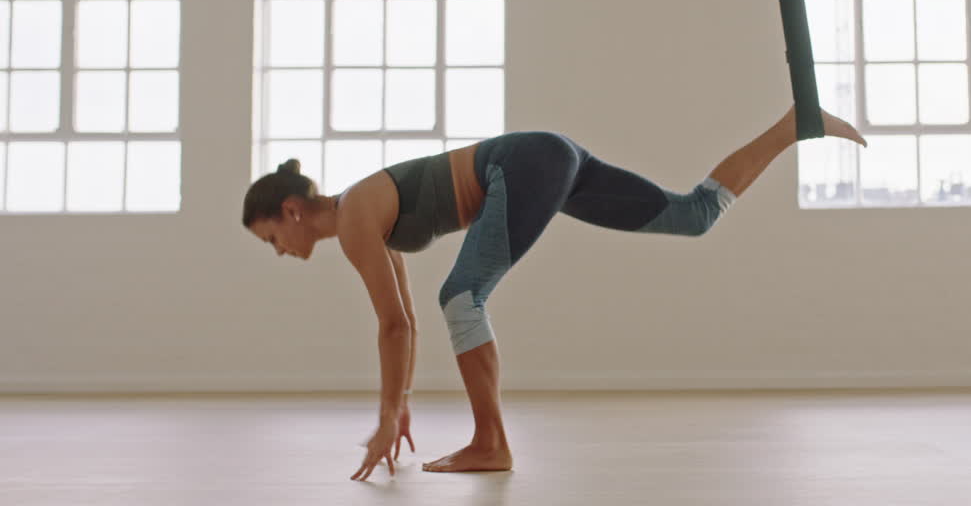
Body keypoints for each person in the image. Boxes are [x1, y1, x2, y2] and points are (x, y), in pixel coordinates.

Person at [242, 105, 866, 480]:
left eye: (271, 238)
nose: (279, 253)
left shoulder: (353, 219)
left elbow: (395, 327)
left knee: (462, 296)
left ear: (292, 212)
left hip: (520, 165)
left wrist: (385, 416)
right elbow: (401, 320)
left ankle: (490, 443)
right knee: (693, 214)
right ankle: (793, 126)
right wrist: (399, 401)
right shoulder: (360, 214)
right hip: (547, 155)